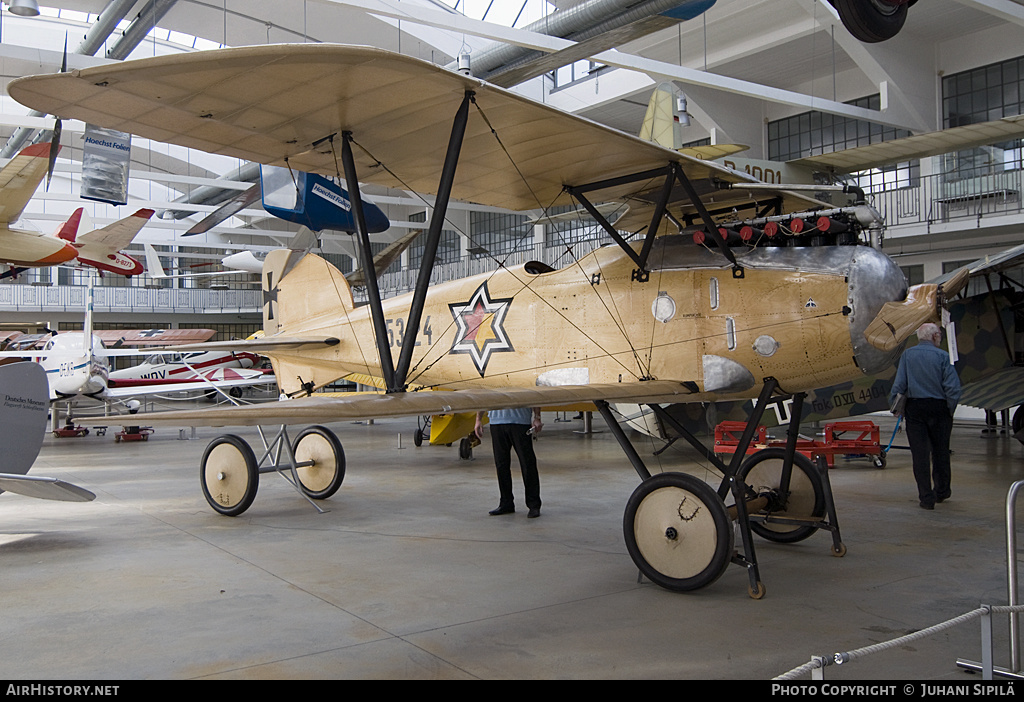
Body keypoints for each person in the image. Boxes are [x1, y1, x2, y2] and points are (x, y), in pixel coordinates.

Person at [890, 322, 962, 510]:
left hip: (915, 409)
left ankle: (926, 498)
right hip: (939, 409)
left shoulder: (907, 355)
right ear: (935, 336)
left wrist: (896, 406)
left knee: (920, 456)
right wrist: (949, 409)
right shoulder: (943, 356)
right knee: (941, 452)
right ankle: (942, 491)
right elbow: (953, 388)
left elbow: (899, 385)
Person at [475, 407, 543, 518]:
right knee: (501, 464)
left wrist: (537, 417)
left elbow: (533, 393)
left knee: (527, 463)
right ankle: (506, 502)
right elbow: (485, 395)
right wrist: (478, 419)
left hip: (520, 421)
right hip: (497, 422)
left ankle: (534, 504)